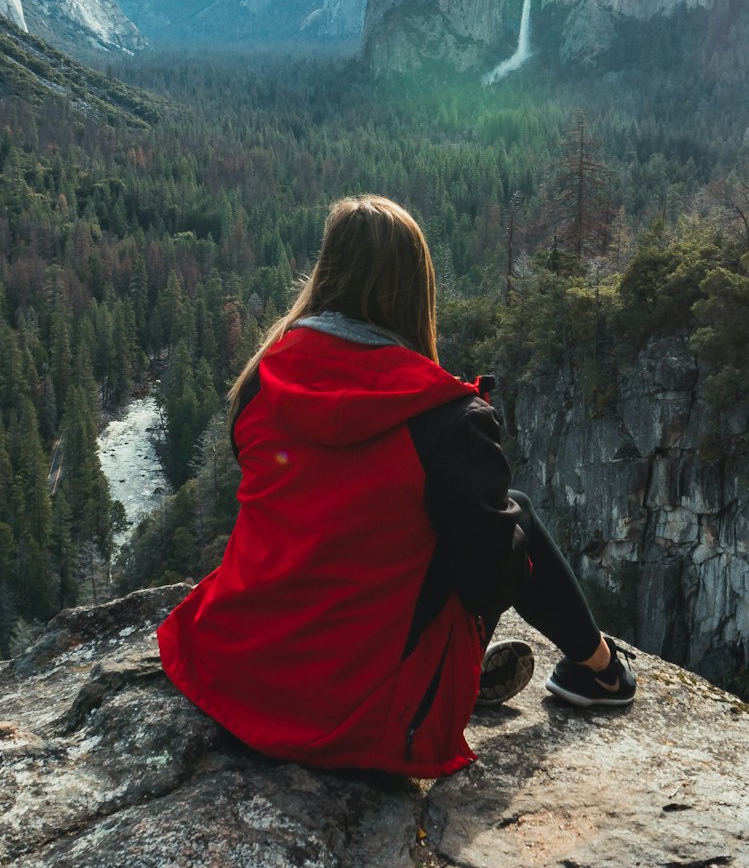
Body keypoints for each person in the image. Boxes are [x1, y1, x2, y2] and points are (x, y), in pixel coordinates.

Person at [157, 195, 635, 779]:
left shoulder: (263, 379)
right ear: (416, 288)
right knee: (513, 519)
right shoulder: (445, 418)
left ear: (326, 274)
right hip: (355, 718)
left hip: (236, 674)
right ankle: (601, 669)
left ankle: (473, 669)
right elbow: (492, 583)